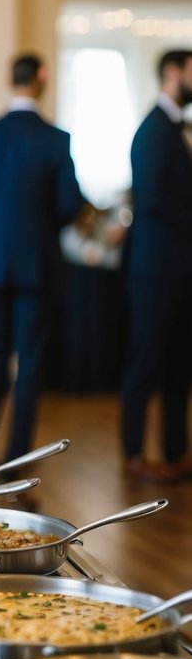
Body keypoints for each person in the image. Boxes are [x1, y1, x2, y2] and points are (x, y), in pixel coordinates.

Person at [0, 52, 86, 462]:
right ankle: (17, 454)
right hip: (38, 262)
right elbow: (69, 205)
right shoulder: (56, 139)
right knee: (29, 358)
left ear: (9, 79)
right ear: (42, 78)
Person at [120, 48, 192, 482]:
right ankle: (132, 454)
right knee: (145, 360)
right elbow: (151, 201)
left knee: (180, 362)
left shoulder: (176, 127)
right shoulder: (153, 130)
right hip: (153, 267)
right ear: (173, 72)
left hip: (180, 266)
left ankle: (176, 452)